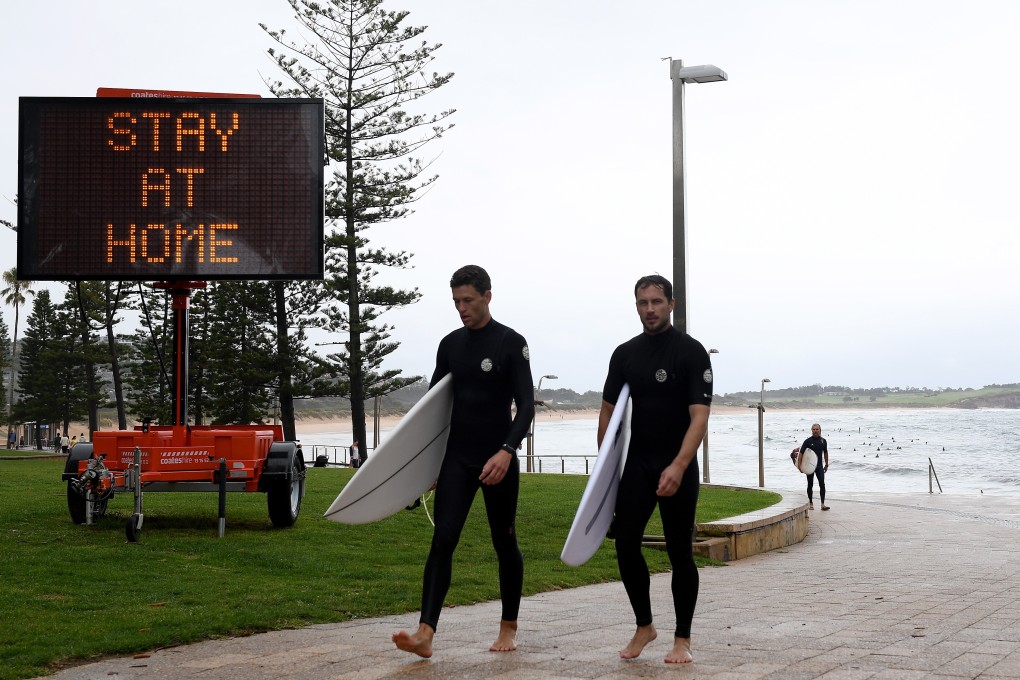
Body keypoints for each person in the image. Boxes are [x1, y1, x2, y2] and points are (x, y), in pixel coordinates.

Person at [393, 264, 534, 658]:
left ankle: (508, 627)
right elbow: (434, 408)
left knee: (504, 540)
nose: (462, 308)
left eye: (468, 300)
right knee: (443, 538)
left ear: (487, 296)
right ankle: (425, 633)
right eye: (456, 301)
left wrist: (507, 451)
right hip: (457, 457)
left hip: (497, 458)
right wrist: (429, 464)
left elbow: (525, 406)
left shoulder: (510, 343)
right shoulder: (450, 345)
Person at [598, 274, 712, 664]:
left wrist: (679, 465)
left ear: (671, 304)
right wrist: (605, 471)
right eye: (643, 302)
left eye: (657, 302)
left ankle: (682, 639)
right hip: (639, 464)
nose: (650, 309)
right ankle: (644, 625)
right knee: (625, 543)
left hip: (678, 464)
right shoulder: (625, 354)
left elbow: (699, 417)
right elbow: (608, 411)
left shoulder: (691, 352)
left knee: (680, 551)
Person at [800, 423, 830, 510]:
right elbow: (801, 453)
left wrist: (826, 464)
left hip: (819, 466)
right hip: (809, 466)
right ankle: (810, 503)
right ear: (811, 430)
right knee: (810, 484)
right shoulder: (807, 441)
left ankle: (822, 504)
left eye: (817, 429)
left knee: (822, 484)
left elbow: (825, 452)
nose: (815, 431)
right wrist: (800, 466)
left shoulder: (823, 441)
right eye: (814, 429)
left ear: (820, 430)